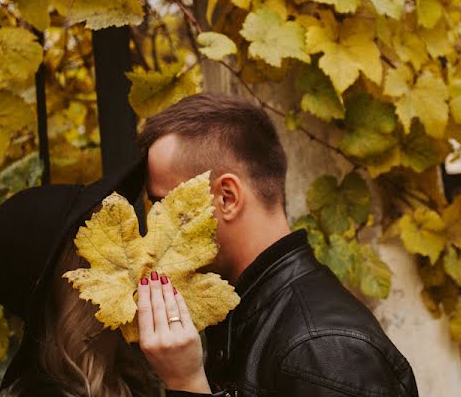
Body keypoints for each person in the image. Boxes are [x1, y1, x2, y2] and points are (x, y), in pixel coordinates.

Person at [139, 93, 419, 397]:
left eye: (163, 204)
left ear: (227, 198)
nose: (156, 224)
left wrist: (187, 384)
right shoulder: (245, 310)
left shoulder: (321, 350)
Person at [0, 158, 214, 396]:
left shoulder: (126, 373)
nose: (136, 250)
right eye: (107, 239)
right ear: (75, 282)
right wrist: (186, 383)